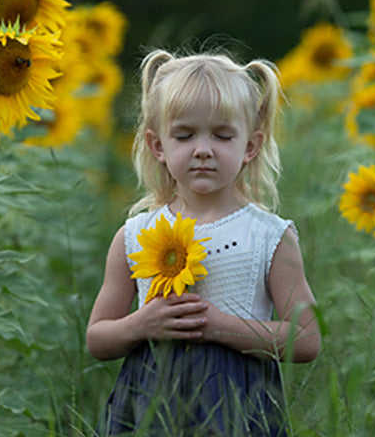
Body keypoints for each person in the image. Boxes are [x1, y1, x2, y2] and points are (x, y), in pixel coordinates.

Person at [87, 48, 321, 436]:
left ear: (251, 146)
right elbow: (98, 337)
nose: (202, 149)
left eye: (222, 135)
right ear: (157, 145)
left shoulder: (268, 236)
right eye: (184, 134)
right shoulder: (134, 235)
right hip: (150, 401)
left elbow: (308, 338)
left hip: (237, 405)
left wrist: (220, 327)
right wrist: (140, 324)